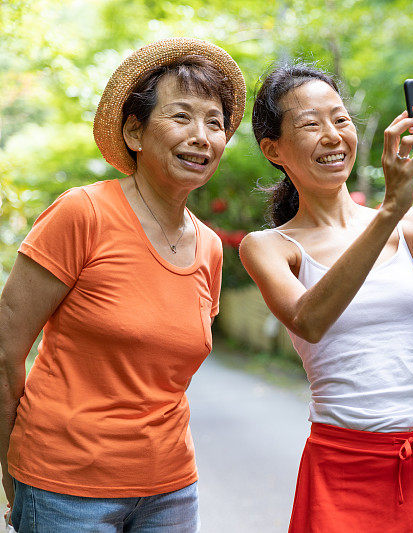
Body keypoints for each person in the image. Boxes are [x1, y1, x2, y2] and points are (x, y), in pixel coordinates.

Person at [240, 63, 413, 532]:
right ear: (272, 149)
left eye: (340, 120)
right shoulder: (269, 247)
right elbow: (310, 320)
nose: (331, 135)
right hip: (346, 467)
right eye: (309, 124)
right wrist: (388, 212)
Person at [0, 38, 246, 531]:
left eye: (215, 123)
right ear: (135, 131)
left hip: (172, 491)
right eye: (181, 117)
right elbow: (5, 349)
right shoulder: (82, 213)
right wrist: (11, 469)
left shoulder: (210, 248)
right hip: (64, 488)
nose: (202, 136)